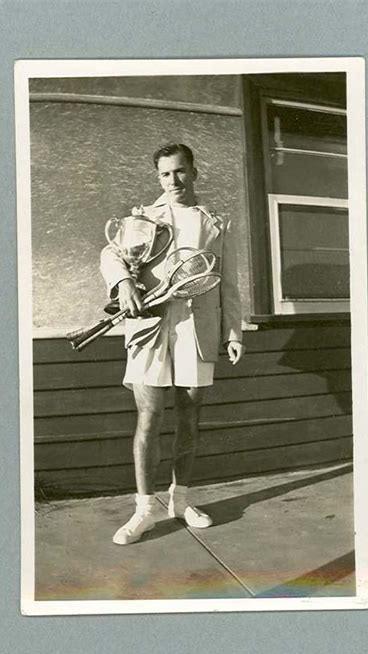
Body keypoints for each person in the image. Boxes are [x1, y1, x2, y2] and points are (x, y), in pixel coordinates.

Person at [100, 143, 245, 545]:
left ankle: (180, 501)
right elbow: (109, 255)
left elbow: (229, 284)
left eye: (180, 172)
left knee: (190, 417)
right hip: (149, 327)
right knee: (149, 416)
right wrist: (124, 281)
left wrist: (233, 332)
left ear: (195, 173)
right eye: (165, 174)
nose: (173, 180)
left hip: (196, 330)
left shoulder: (217, 222)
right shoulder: (143, 217)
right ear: (158, 177)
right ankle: (144, 510)